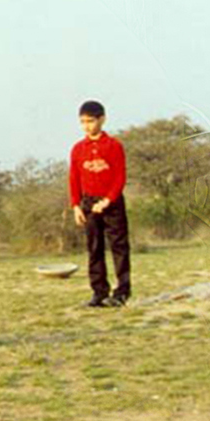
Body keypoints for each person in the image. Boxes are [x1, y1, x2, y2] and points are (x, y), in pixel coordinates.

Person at [68, 99, 131, 308]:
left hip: (111, 203)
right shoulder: (78, 149)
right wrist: (76, 205)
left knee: (119, 247)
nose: (87, 125)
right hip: (88, 203)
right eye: (83, 122)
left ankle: (122, 291)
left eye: (91, 121)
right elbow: (74, 178)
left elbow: (120, 177)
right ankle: (99, 292)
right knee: (94, 248)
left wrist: (107, 201)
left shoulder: (113, 146)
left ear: (101, 119)